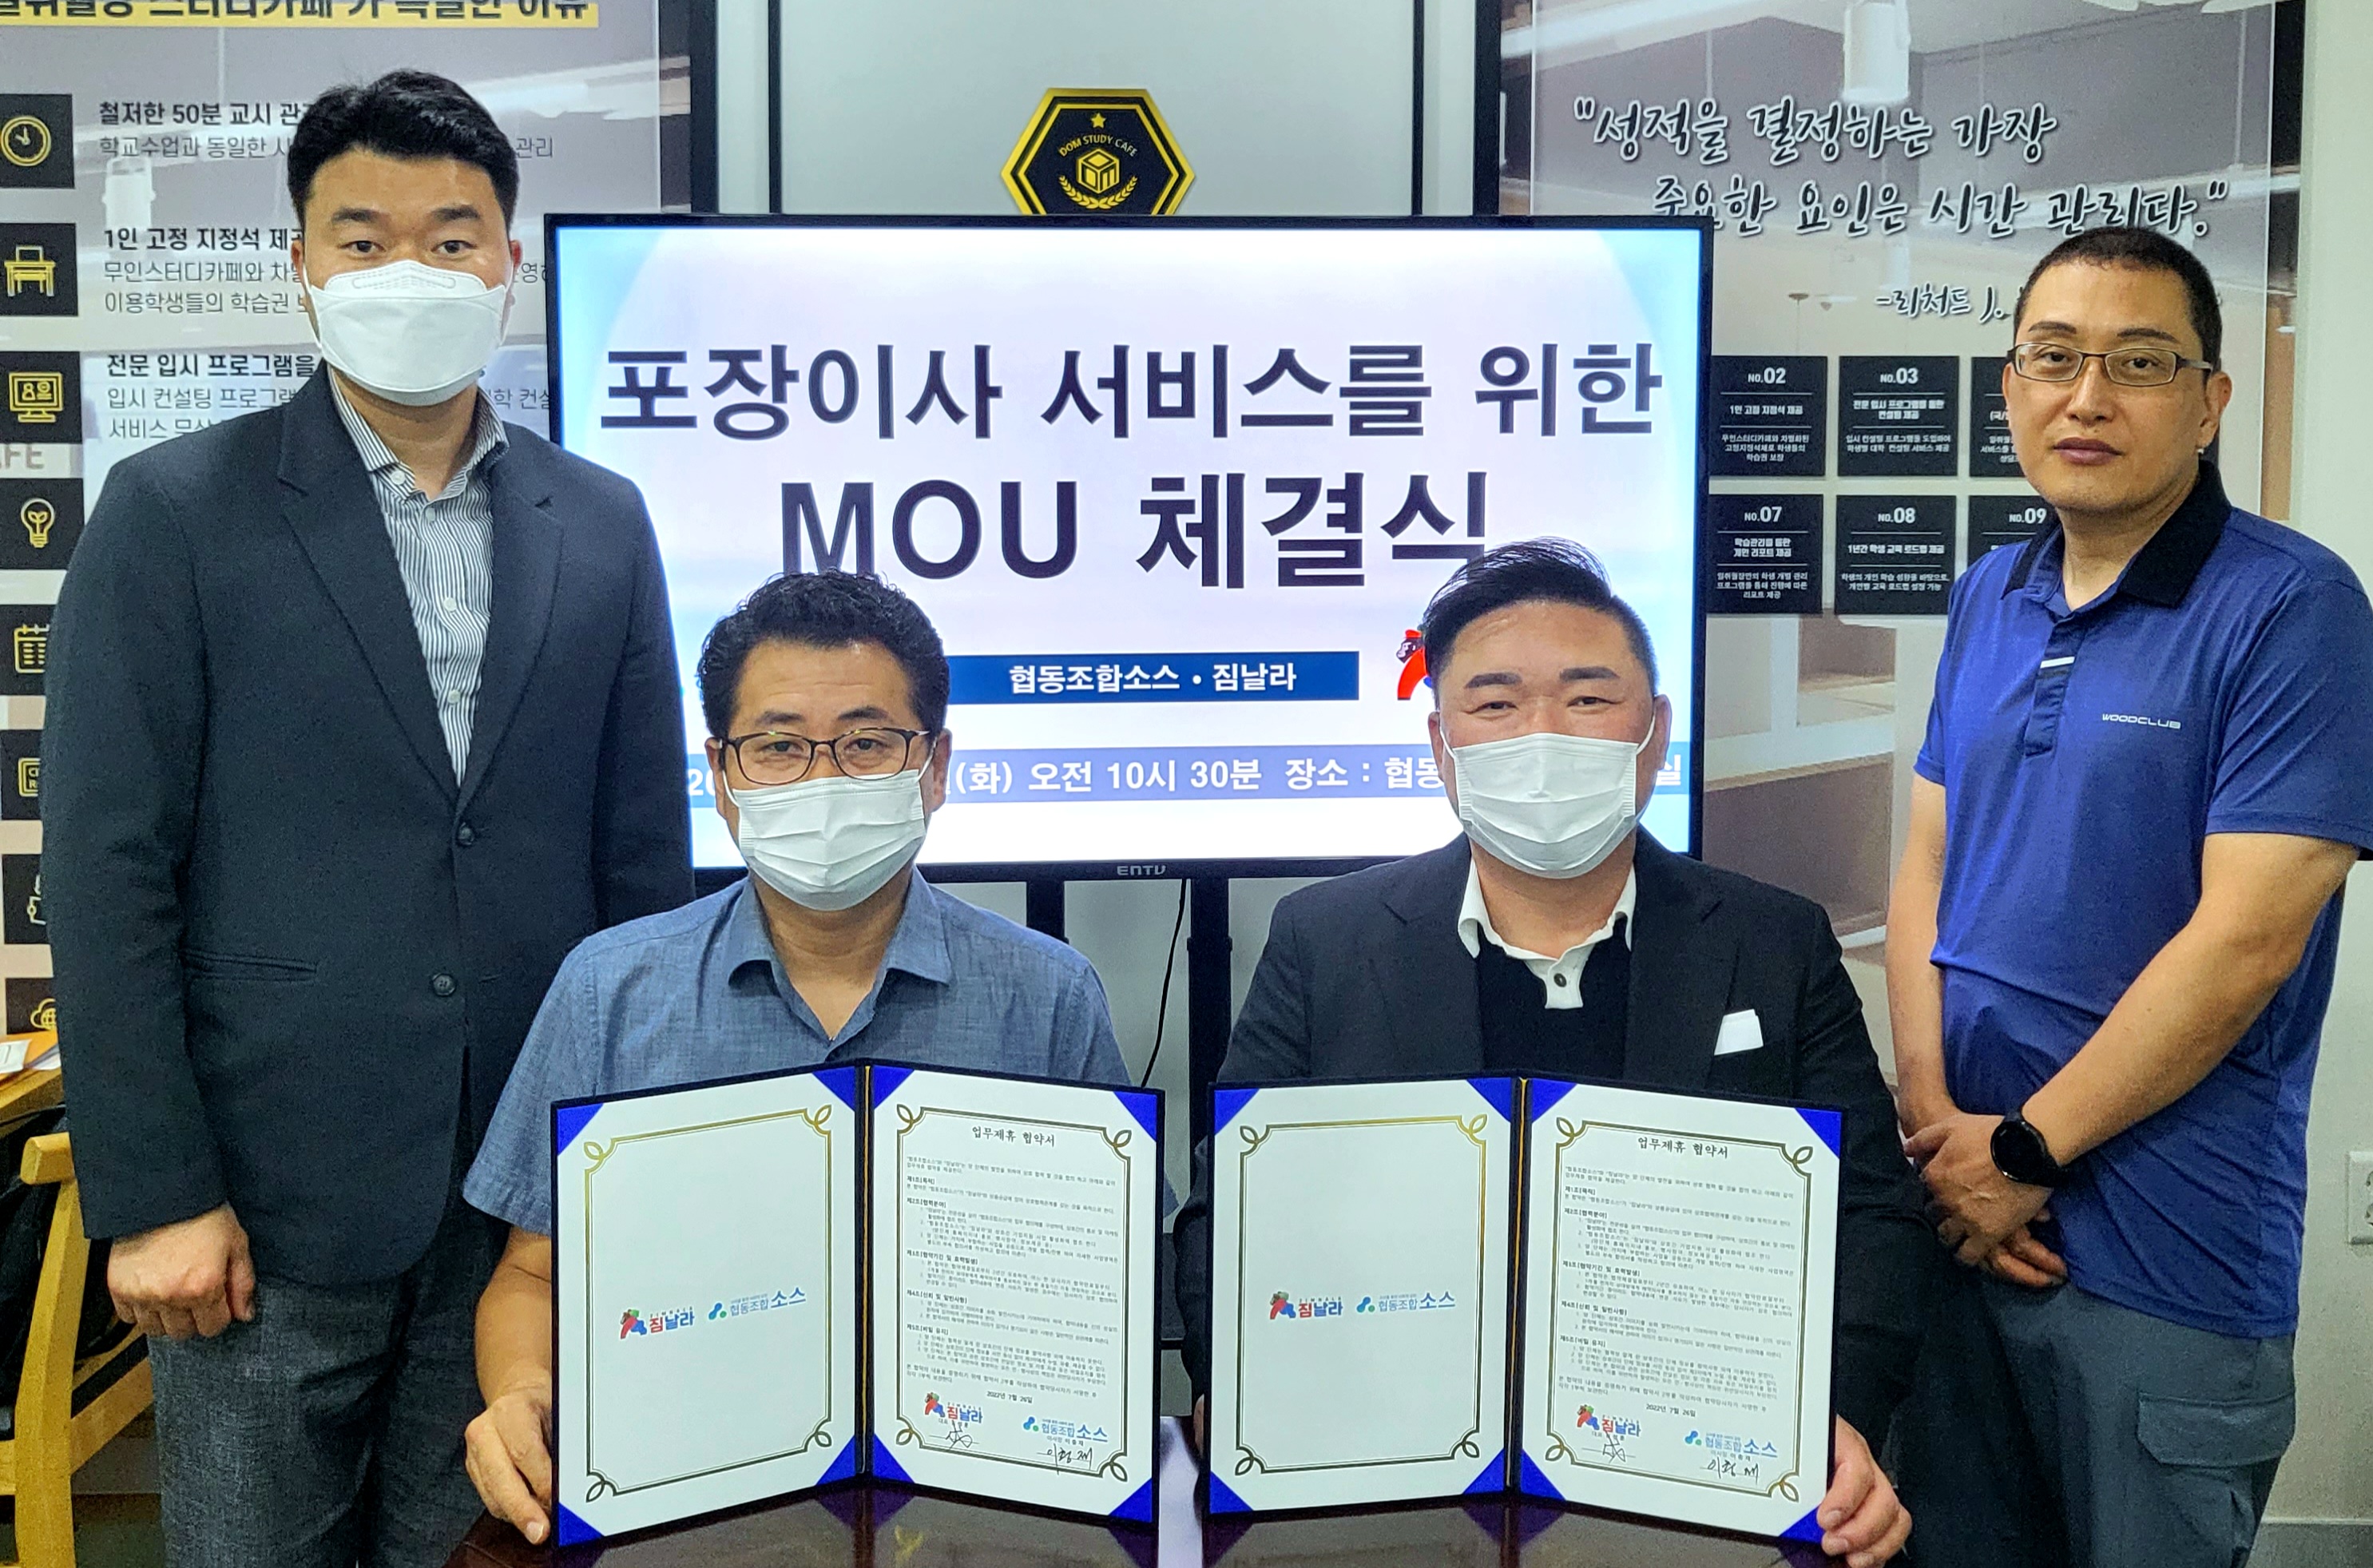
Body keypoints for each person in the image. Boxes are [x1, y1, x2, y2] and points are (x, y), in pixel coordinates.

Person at [41, 69, 692, 1568]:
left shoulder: (601, 520)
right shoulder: (175, 510)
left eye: (452, 238)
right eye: (364, 237)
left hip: (520, 1200)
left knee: (482, 1549)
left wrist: (628, 1162)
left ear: (508, 263)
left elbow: (640, 867)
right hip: (264, 1202)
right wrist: (158, 1193)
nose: (412, 270)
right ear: (302, 266)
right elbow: (108, 866)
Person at [1175, 540, 1935, 1568]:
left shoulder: (1771, 941)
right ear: (1441, 745)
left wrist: (1835, 1416)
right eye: (1495, 704)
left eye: (1586, 700)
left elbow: (1870, 1210)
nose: (1542, 736)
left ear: (1653, 733)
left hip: (1692, 1466)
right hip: (1398, 1464)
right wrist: (1247, 1382)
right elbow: (1230, 1209)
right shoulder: (1326, 939)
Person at [458, 570, 1135, 1543]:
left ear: (934, 766)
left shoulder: (1049, 996)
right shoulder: (609, 989)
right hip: (685, 1498)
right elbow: (533, 1275)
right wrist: (524, 1391)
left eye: (866, 743)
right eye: (778, 746)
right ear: (721, 775)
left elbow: (1107, 1289)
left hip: (977, 1506)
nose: (823, 780)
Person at [1886, 226, 2373, 1568]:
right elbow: (1924, 864)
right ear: (2009, 389)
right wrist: (1936, 1126)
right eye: (2053, 358)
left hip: (2162, 1248)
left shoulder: (2292, 607)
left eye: (2140, 362)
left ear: (2209, 401)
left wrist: (2023, 1152)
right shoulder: (1989, 592)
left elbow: (2246, 938)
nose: (2087, 395)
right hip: (1964, 1220)